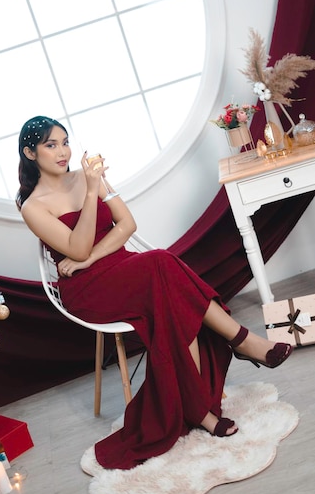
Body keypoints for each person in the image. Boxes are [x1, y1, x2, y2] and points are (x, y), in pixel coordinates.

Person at [16, 115, 293, 471]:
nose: (62, 151)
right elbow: (78, 247)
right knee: (162, 265)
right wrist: (89, 193)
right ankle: (241, 341)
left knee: (165, 287)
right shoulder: (33, 206)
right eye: (50, 145)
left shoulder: (89, 177)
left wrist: (90, 254)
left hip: (124, 268)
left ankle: (201, 410)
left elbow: (128, 225)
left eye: (65, 142)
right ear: (29, 153)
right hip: (88, 289)